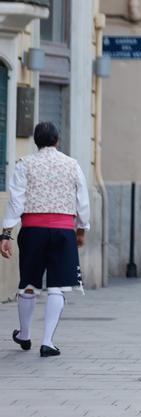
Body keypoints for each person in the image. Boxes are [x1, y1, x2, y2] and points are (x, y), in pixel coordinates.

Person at [1, 122, 90, 357]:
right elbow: (83, 200)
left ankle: (25, 334)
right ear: (57, 140)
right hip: (63, 231)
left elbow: (16, 200)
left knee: (29, 283)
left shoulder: (24, 164)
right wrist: (81, 229)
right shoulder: (72, 164)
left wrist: (6, 233)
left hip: (32, 230)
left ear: (36, 142)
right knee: (57, 286)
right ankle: (48, 342)